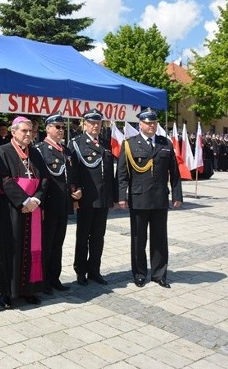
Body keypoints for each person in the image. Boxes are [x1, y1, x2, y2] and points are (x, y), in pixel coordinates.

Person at [117, 108, 182, 288]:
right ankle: (139, 273)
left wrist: (177, 194)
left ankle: (159, 274)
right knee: (138, 239)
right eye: (147, 123)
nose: (151, 126)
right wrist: (122, 196)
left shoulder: (165, 143)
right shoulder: (130, 144)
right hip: (139, 198)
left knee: (160, 238)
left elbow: (174, 173)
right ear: (140, 125)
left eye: (153, 123)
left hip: (160, 198)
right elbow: (122, 173)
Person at [0, 116, 49, 307]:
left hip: (33, 207)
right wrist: (24, 200)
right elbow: (4, 180)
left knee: (31, 249)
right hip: (11, 209)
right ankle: (7, 293)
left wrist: (37, 199)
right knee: (10, 251)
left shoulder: (35, 153)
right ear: (13, 131)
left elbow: (45, 179)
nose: (28, 135)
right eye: (24, 131)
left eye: (30, 131)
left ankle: (28, 290)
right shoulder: (2, 151)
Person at [69, 109, 118, 286]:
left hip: (103, 198)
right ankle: (80, 270)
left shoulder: (105, 143)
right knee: (83, 236)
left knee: (98, 236)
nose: (95, 126)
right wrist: (75, 192)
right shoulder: (76, 143)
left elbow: (109, 173)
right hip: (87, 198)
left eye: (98, 123)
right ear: (84, 124)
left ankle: (94, 270)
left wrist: (112, 196)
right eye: (91, 123)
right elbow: (72, 171)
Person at [34, 113, 80, 294]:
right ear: (48, 128)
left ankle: (55, 278)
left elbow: (71, 177)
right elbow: (39, 181)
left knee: (58, 244)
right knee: (46, 244)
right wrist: (41, 206)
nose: (61, 130)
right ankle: (44, 280)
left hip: (63, 204)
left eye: (63, 127)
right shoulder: (40, 150)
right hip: (48, 206)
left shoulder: (66, 151)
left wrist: (75, 194)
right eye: (57, 127)